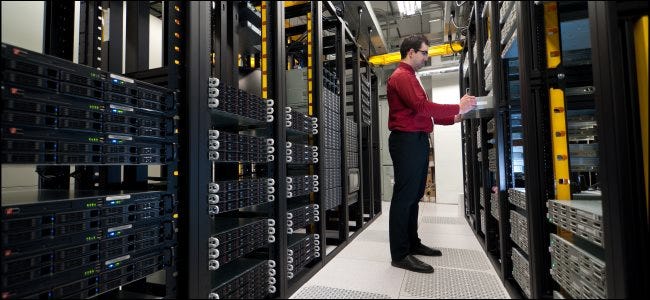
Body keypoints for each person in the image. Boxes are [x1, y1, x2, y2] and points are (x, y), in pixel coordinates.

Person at [387, 35, 476, 273]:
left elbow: (427, 115)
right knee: (404, 198)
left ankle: (412, 243)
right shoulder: (401, 77)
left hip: (416, 140)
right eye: (424, 53)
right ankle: (400, 254)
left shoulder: (411, 78)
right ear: (411, 53)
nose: (427, 57)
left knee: (414, 196)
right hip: (406, 142)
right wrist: (458, 105)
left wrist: (453, 117)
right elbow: (422, 108)